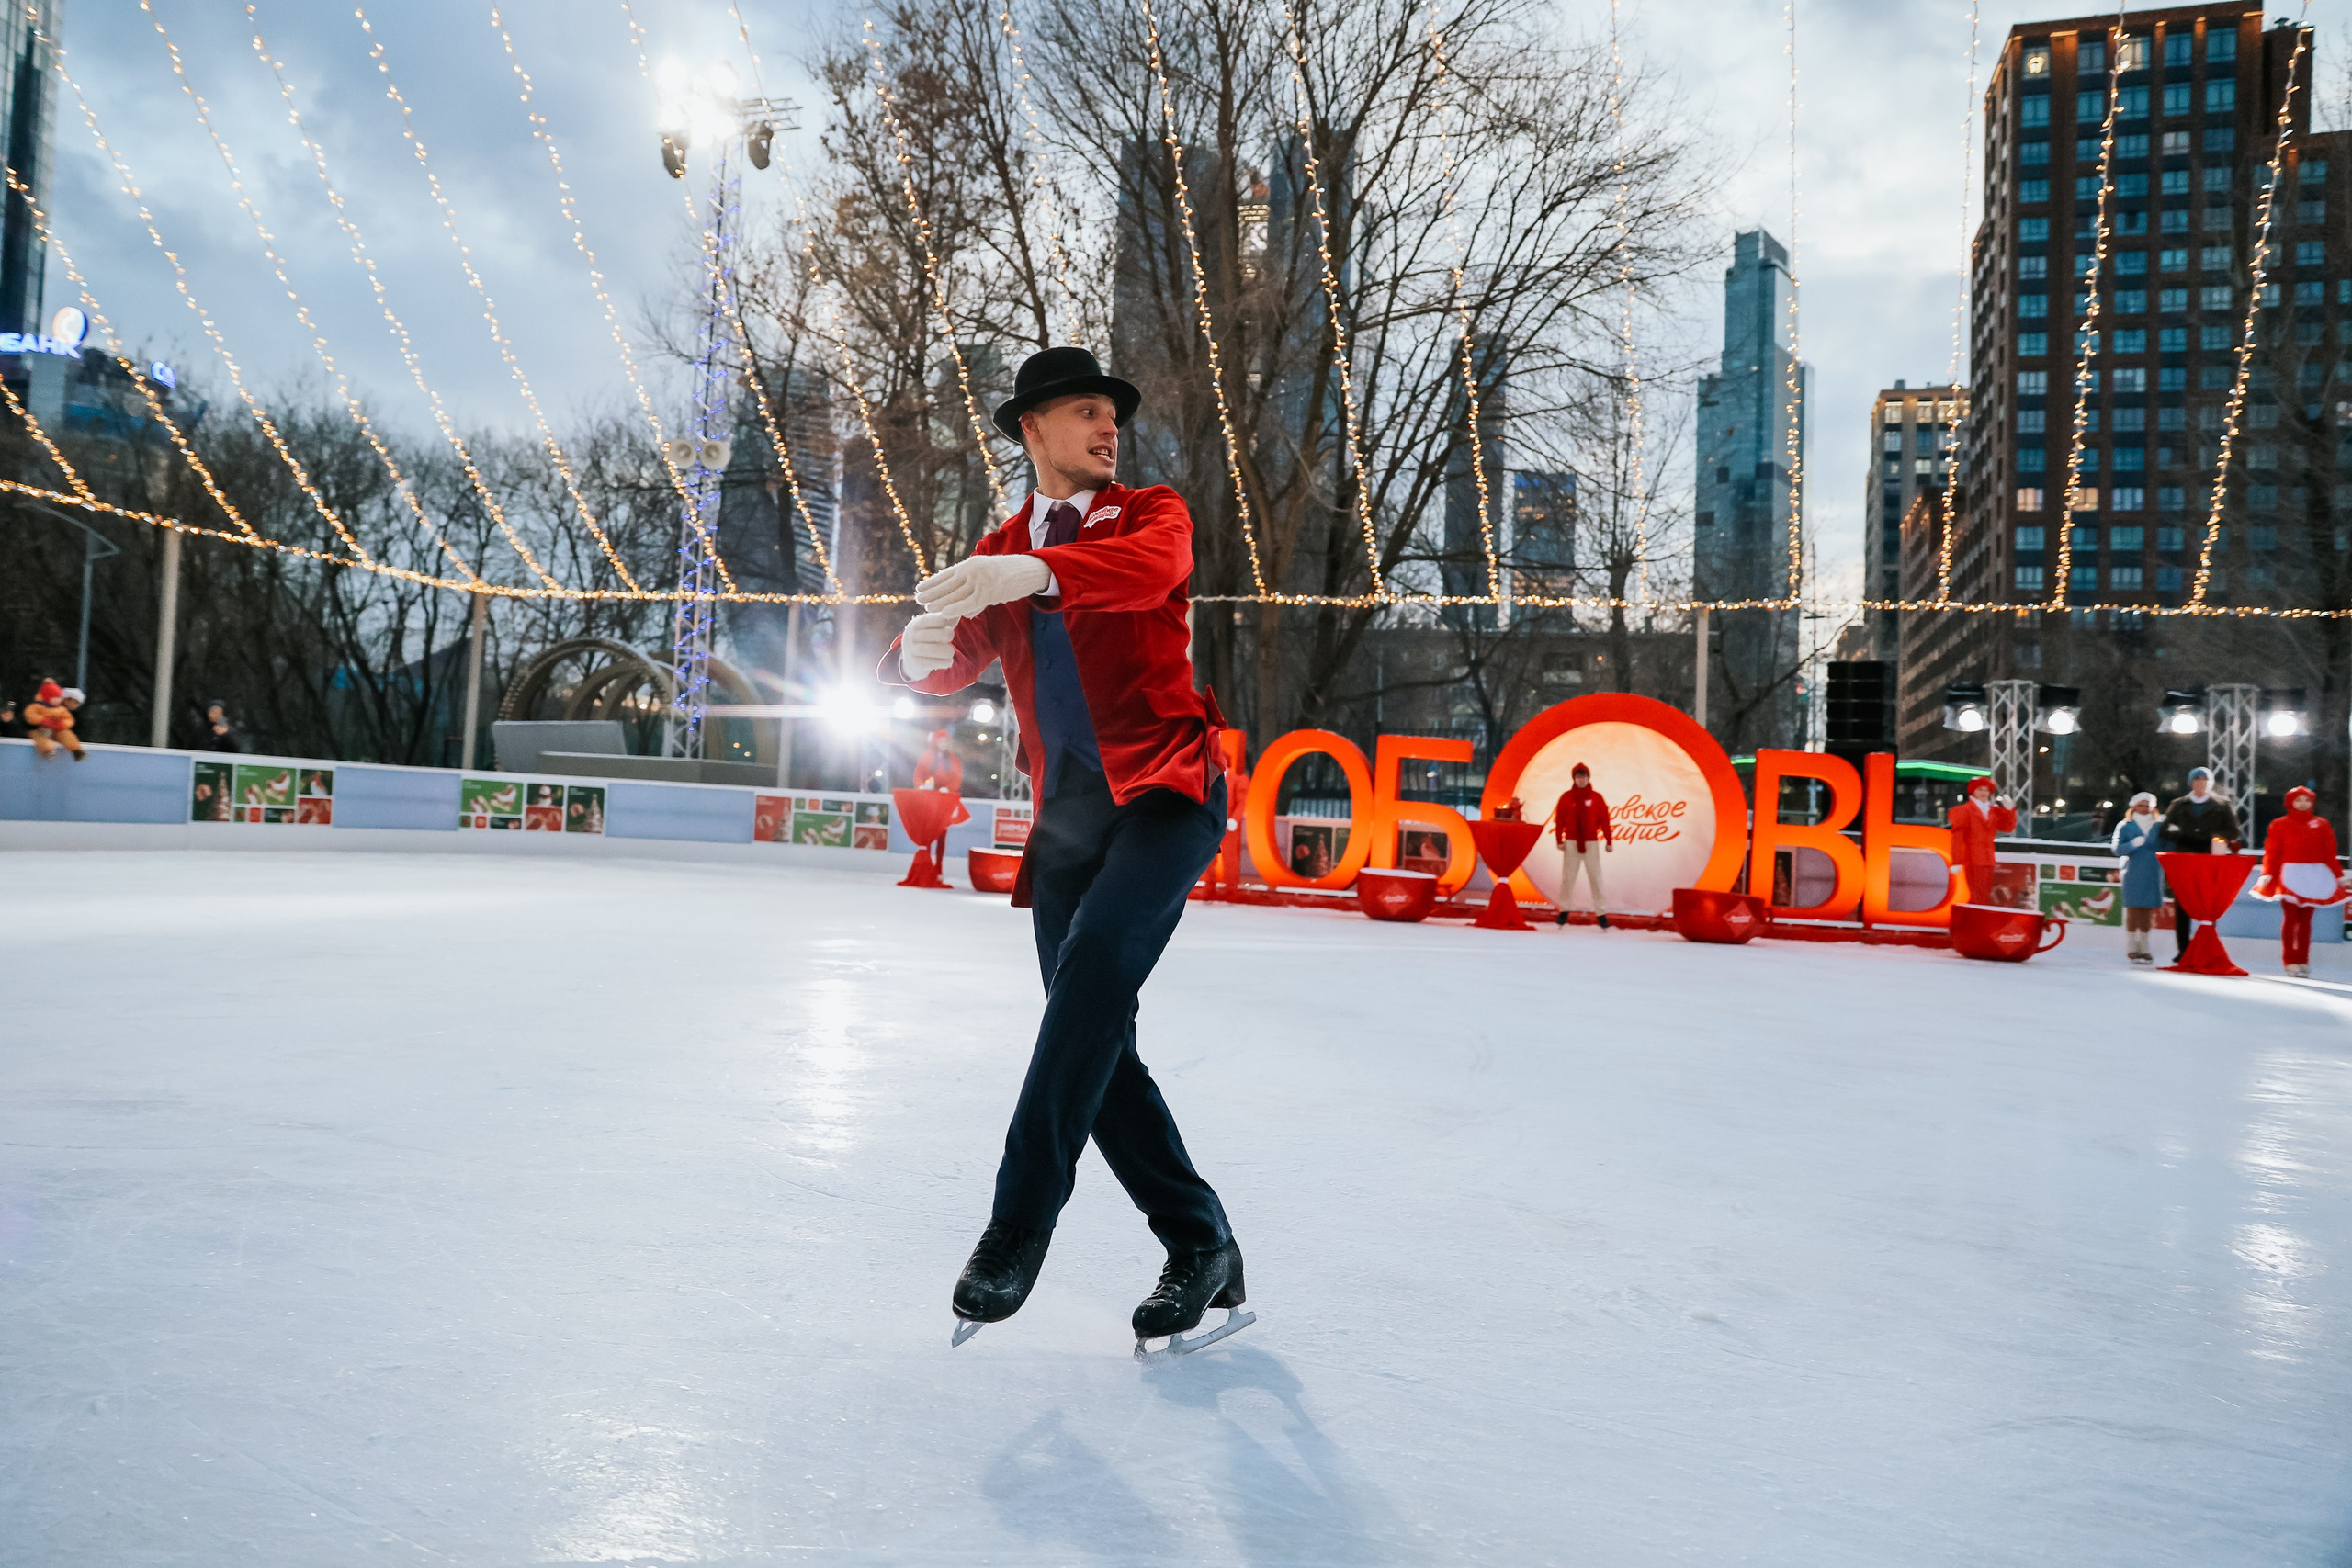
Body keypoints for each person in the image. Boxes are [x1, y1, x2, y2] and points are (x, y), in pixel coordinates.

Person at [885, 345, 1246, 1355]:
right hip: (1069, 823)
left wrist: (1034, 569)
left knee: (1089, 982)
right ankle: (1201, 1242)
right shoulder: (999, 543)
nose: (1105, 427)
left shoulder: (1149, 514)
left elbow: (1150, 576)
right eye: (1084, 411)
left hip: (1170, 794)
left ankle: (1016, 1226)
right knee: (1095, 1038)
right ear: (1031, 430)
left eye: (1111, 415)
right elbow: (954, 658)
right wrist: (917, 657)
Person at [2252, 784, 2346, 978]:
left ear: (2312, 802)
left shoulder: (2322, 824)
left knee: (2306, 921)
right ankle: (2290, 960)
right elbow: (2273, 851)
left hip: (2315, 874)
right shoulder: (2279, 824)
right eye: (2298, 799)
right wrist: (2268, 873)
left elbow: (2330, 853)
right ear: (2290, 802)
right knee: (2291, 919)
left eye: (2307, 800)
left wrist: (2340, 876)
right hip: (2290, 875)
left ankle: (2303, 960)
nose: (2303, 803)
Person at [2161, 767, 2243, 961]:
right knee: (2182, 905)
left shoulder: (2222, 805)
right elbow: (2164, 831)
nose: (2200, 782)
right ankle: (2183, 949)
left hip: (2209, 858)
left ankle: (2207, 947)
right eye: (2196, 778)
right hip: (2184, 858)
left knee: (2208, 905)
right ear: (2191, 782)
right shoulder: (2179, 805)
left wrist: (2211, 838)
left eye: (2204, 779)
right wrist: (2183, 836)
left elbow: (2233, 831)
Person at [1548, 763, 1612, 929]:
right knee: (1568, 878)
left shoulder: (1596, 798)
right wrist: (1559, 840)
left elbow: (1604, 819)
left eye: (1584, 777)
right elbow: (1560, 819)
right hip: (1571, 842)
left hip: (1590, 842)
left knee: (1595, 878)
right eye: (1578, 777)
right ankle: (1564, 911)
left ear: (1588, 778)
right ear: (1574, 779)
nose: (1581, 780)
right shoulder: (1566, 797)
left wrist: (1609, 840)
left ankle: (1601, 913)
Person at [2110, 791, 2165, 966]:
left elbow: (2167, 846)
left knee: (2147, 910)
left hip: (2152, 871)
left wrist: (2173, 834)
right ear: (2134, 806)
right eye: (2141, 805)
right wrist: (2132, 844)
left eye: (2147, 805)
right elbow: (2117, 849)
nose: (2144, 808)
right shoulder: (2125, 826)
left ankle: (2145, 948)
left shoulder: (2158, 826)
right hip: (2133, 870)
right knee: (2133, 909)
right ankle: (2132, 947)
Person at [1947, 776, 2018, 907]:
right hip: (1972, 859)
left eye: (1986, 790)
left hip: (1987, 859)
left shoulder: (1993, 811)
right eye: (1980, 789)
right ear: (1973, 791)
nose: (1984, 793)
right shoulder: (1964, 810)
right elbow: (1957, 837)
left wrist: (2010, 810)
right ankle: (1973, 922)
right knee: (1975, 895)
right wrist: (1956, 861)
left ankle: (1979, 922)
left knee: (1984, 895)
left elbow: (2008, 827)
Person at [24, 681, 87, 761]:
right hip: (40, 730)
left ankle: (76, 750)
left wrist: (62, 724)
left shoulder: (61, 709)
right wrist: (42, 720)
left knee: (66, 734)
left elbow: (69, 719)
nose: (61, 700)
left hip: (56, 731)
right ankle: (48, 751)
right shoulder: (36, 707)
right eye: (58, 697)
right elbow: (30, 715)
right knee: (41, 738)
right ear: (49, 697)